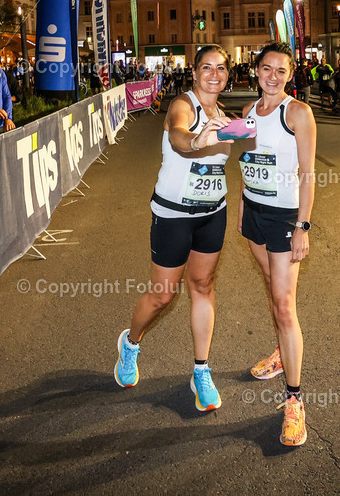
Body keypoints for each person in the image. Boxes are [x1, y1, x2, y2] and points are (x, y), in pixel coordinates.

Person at [114, 45, 233, 413]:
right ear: (194, 73)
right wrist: (198, 139)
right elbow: (181, 135)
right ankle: (130, 344)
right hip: (173, 215)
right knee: (163, 296)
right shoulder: (182, 104)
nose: (215, 74)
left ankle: (201, 370)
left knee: (202, 287)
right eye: (207, 68)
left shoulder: (225, 115)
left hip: (214, 212)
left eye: (221, 68)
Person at [240, 42, 317, 446]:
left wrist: (303, 225)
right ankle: (280, 352)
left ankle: (294, 402)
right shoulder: (251, 112)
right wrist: (241, 208)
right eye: (266, 68)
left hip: (284, 218)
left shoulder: (298, 113)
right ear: (256, 71)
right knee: (275, 292)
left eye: (281, 70)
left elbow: (307, 173)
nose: (273, 75)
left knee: (285, 305)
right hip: (253, 213)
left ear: (289, 74)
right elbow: (250, 161)